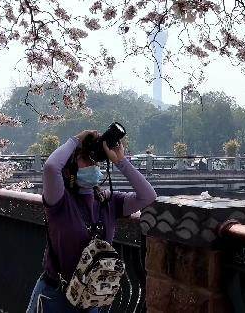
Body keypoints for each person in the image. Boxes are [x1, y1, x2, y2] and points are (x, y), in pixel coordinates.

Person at [28, 130, 158, 313]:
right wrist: (77, 140)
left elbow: (148, 197)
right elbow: (51, 167)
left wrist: (121, 162)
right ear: (69, 168)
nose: (93, 164)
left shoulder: (108, 201)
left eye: (94, 160)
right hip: (55, 294)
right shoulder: (59, 200)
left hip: (90, 299)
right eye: (85, 158)